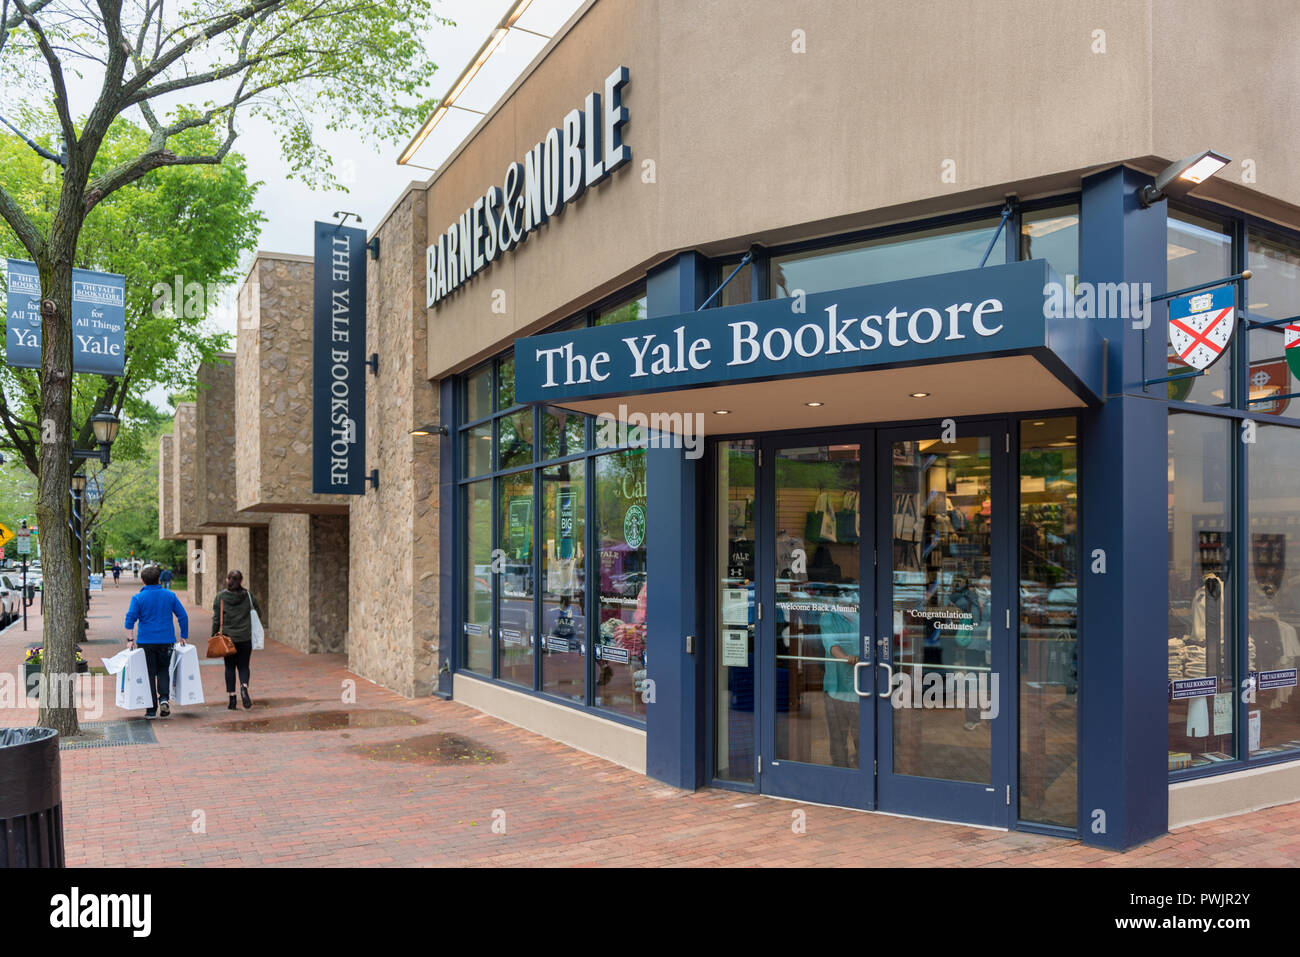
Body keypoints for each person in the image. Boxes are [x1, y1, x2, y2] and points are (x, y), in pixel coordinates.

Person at [124, 564, 189, 719]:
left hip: (146, 641)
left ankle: (151, 709)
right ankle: (164, 699)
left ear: (142, 580)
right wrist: (183, 635)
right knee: (163, 670)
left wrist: (130, 639)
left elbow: (129, 620)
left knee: (149, 674)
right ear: (159, 579)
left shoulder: (138, 598)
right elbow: (183, 616)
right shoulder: (170, 596)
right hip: (166, 640)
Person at [213, 569, 261, 710]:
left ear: (228, 580)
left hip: (227, 638)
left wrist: (213, 634)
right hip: (245, 637)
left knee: (229, 667)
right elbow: (258, 613)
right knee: (244, 665)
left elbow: (216, 619)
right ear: (241, 581)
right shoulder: (249, 596)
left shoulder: (220, 597)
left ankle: (232, 699)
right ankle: (244, 687)